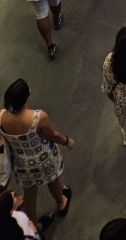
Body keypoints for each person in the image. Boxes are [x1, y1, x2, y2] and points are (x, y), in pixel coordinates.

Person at [0, 79, 73, 226]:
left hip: (21, 161)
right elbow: (52, 135)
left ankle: (33, 226)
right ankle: (61, 202)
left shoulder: (1, 116)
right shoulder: (39, 117)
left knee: (30, 194)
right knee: (53, 181)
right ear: (26, 99)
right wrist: (66, 141)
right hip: (44, 159)